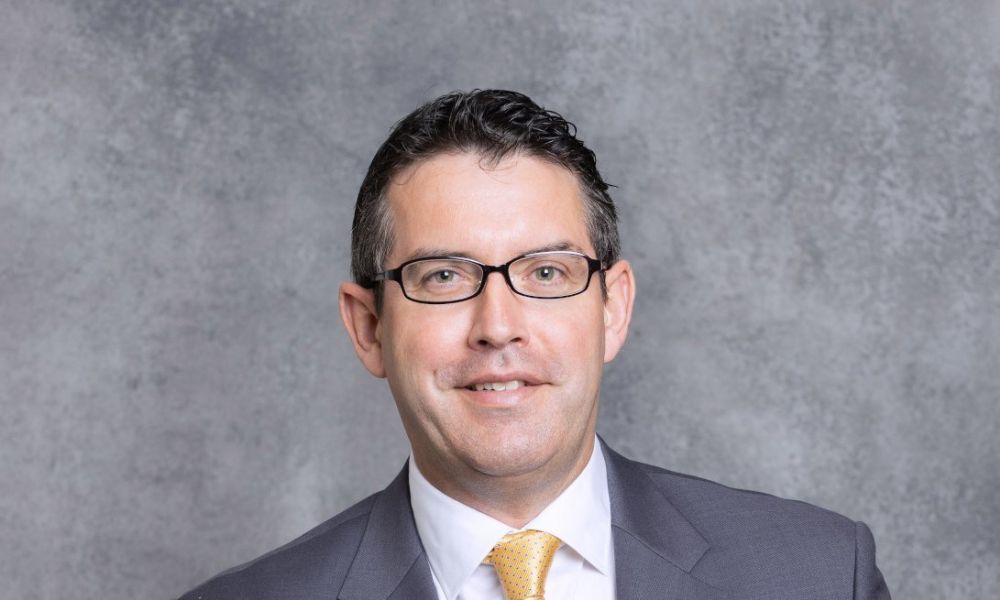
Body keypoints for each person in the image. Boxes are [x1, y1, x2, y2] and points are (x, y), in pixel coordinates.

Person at [179, 89, 891, 599]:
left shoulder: (819, 575)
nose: (498, 324)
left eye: (546, 272)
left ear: (612, 310)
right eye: (444, 275)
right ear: (369, 328)